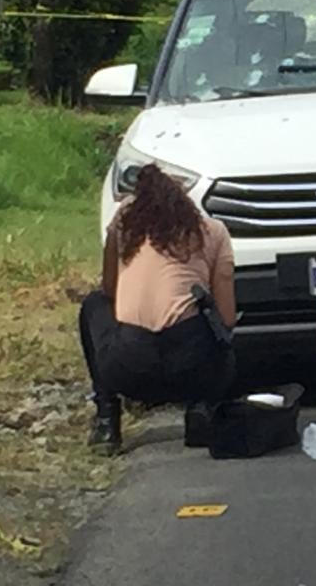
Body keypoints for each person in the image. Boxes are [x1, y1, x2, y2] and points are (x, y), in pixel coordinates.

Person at [78, 165, 237, 455]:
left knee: (93, 304)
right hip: (192, 368)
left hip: (128, 368)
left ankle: (106, 418)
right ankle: (201, 407)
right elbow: (227, 317)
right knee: (212, 318)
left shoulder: (125, 228)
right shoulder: (213, 231)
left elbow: (110, 290)